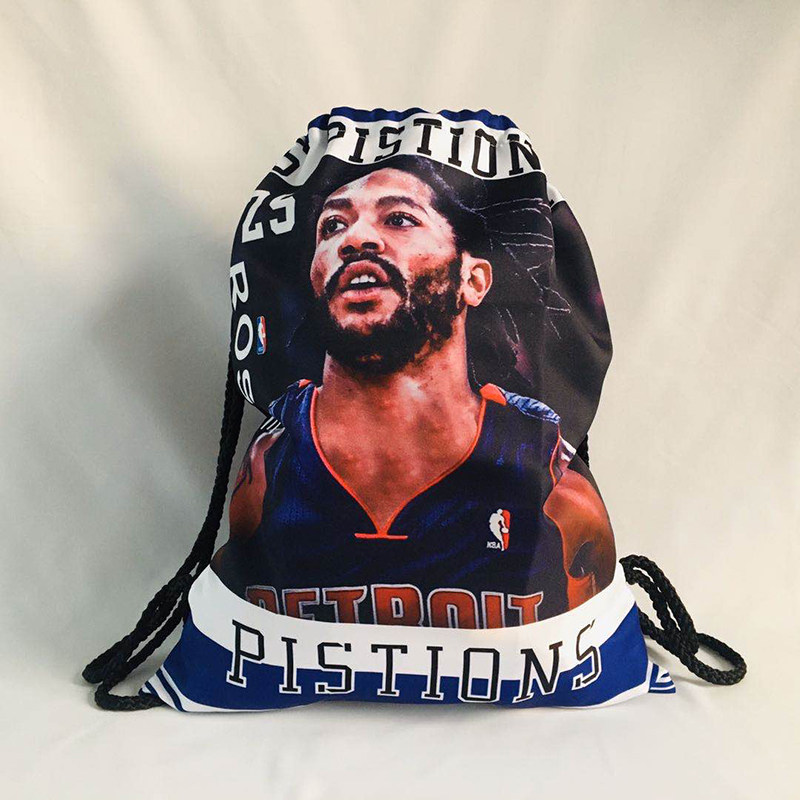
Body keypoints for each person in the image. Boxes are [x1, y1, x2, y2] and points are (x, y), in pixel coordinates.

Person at [212, 160, 616, 628]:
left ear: (473, 280)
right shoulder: (270, 465)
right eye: (333, 225)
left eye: (399, 219)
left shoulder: (547, 474)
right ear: (313, 278)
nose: (355, 239)